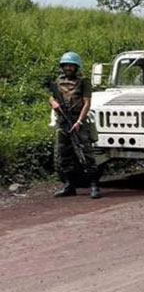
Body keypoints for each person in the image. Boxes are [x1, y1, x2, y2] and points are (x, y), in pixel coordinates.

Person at [49, 51, 102, 199]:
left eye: (71, 66)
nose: (68, 68)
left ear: (76, 67)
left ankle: (94, 185)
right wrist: (53, 103)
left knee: (86, 154)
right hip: (63, 122)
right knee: (63, 155)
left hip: (78, 121)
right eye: (65, 65)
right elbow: (52, 97)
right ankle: (69, 185)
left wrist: (79, 121)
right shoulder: (59, 81)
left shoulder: (83, 81)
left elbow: (87, 103)